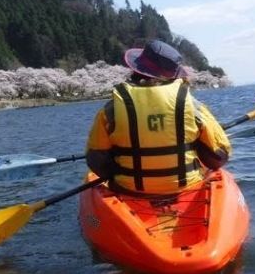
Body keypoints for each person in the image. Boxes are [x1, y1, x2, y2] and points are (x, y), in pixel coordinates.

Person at [85, 40, 231, 195]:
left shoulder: (111, 109)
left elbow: (96, 160)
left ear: (136, 70)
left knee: (111, 153)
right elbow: (219, 156)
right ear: (172, 75)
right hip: (187, 188)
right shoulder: (192, 105)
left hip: (129, 190)